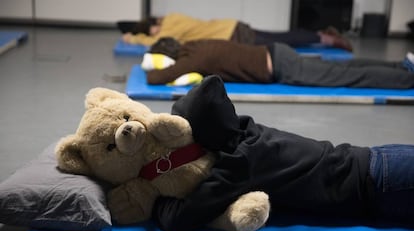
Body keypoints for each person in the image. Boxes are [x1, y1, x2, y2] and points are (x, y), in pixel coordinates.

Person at [150, 75, 414, 231]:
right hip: (382, 161)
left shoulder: (241, 162)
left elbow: (181, 218)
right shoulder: (247, 130)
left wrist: (154, 200)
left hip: (381, 186)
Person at [144, 37, 414, 89]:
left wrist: (152, 65)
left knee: (345, 76)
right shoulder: (198, 44)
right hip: (275, 52)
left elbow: (156, 78)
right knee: (342, 67)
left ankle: (407, 77)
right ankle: (401, 66)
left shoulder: (194, 58)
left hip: (281, 67)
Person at [118, 13, 352, 51]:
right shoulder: (172, 17)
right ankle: (322, 33)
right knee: (280, 36)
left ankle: (327, 38)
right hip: (233, 26)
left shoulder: (167, 27)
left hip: (232, 36)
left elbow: (156, 41)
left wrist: (133, 37)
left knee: (283, 41)